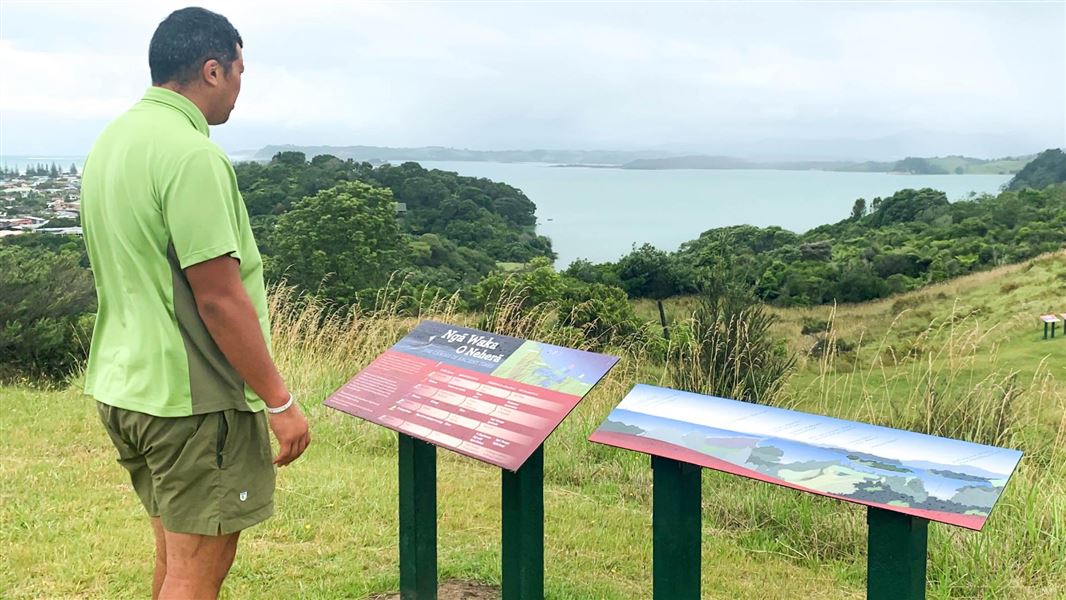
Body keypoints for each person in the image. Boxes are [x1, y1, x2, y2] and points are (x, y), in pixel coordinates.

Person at [80, 7, 310, 599]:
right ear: (212, 70)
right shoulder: (192, 156)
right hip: (191, 401)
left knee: (175, 556)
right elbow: (219, 299)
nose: (239, 85)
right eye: (238, 70)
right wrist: (279, 400)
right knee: (197, 568)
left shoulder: (114, 141)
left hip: (125, 386)